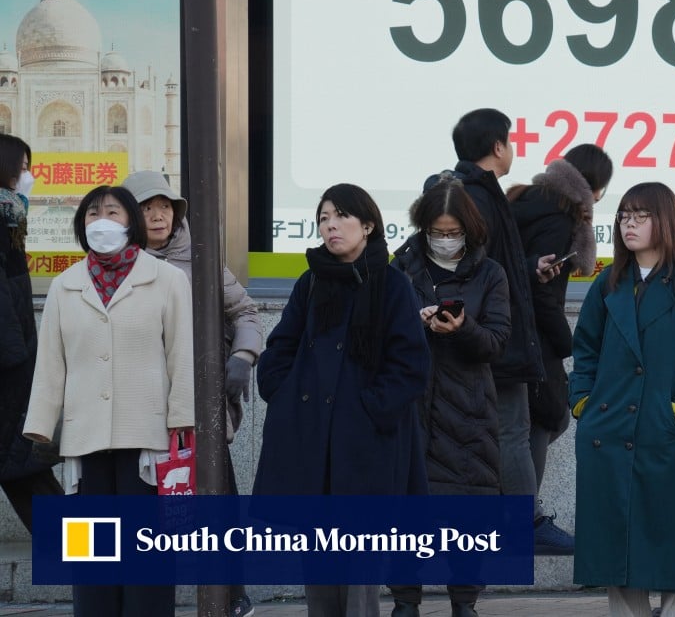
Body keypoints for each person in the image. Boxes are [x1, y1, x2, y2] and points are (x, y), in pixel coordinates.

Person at [254, 184, 430, 617]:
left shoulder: (392, 284)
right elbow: (279, 349)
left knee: (360, 566)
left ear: (367, 224)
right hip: (312, 440)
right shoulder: (311, 281)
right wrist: (284, 395)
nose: (330, 226)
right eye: (323, 218)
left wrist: (368, 410)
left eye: (340, 216)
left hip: (366, 444)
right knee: (318, 562)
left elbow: (410, 364)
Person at [24, 184, 193, 617]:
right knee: (92, 556)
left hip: (149, 436)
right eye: (92, 213)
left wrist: (183, 418)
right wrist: (42, 424)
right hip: (84, 437)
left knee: (146, 553)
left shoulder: (167, 279)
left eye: (113, 212)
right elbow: (51, 362)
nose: (101, 220)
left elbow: (182, 352)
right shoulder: (65, 286)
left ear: (131, 222)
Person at [569, 182, 675, 617]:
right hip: (610, 435)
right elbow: (584, 349)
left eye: (642, 216)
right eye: (625, 216)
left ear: (667, 221)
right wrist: (583, 402)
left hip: (667, 438)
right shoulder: (609, 283)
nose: (630, 224)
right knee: (618, 560)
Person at [121, 170, 261, 617]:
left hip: (199, 406)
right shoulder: (115, 266)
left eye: (165, 206)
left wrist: (242, 356)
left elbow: (245, 311)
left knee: (215, 501)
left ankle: (232, 593)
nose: (158, 215)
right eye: (146, 208)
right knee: (145, 509)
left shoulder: (201, 260)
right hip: (138, 408)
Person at [442, 108, 569, 552]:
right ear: (498, 147)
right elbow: (469, 271)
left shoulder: (474, 194)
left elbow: (487, 266)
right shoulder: (475, 197)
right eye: (509, 141)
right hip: (492, 339)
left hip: (485, 334)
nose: (512, 148)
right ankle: (524, 526)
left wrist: (529, 272)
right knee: (513, 431)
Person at [388, 176, 512, 617]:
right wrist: (412, 321)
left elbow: (497, 341)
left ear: (469, 230)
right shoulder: (401, 268)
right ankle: (405, 601)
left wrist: (463, 329)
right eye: (436, 232)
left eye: (452, 232)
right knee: (404, 513)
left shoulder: (490, 273)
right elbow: (380, 334)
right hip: (410, 408)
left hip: (468, 411)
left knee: (467, 513)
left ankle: (465, 603)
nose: (444, 240)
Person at [507, 142, 613, 555]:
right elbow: (544, 296)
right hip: (531, 336)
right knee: (544, 418)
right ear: (594, 187)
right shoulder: (558, 218)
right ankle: (524, 521)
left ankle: (513, 506)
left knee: (535, 422)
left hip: (511, 330)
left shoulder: (527, 198)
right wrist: (571, 345)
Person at [0, 134, 64, 531]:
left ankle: (91, 561)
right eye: (23, 168)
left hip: (14, 364)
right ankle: (92, 561)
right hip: (9, 369)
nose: (29, 176)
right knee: (26, 471)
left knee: (25, 471)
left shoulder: (10, 216)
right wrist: (18, 360)